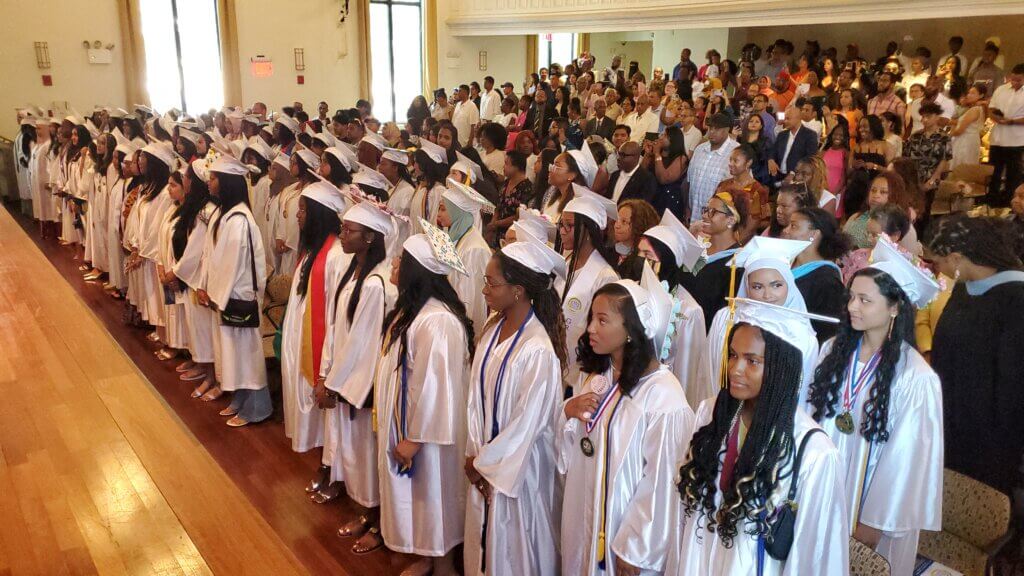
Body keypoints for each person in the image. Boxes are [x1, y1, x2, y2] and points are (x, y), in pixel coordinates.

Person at [668, 298, 849, 575]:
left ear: (780, 370)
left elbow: (815, 556)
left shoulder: (813, 452)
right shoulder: (711, 415)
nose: (736, 369)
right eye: (733, 355)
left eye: (752, 361)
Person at [808, 235, 943, 576]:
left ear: (895, 307)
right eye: (852, 296)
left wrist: (873, 523)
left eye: (865, 300)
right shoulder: (833, 352)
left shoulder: (916, 378)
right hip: (823, 489)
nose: (852, 306)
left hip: (872, 509)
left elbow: (909, 461)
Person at [560, 270, 695, 575]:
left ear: (632, 329)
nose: (591, 328)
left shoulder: (663, 397)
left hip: (625, 541)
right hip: (585, 523)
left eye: (602, 320)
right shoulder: (600, 377)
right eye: (591, 317)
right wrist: (568, 410)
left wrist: (636, 548)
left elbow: (662, 483)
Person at [465, 240, 567, 576]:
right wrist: (474, 454)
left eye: (492, 283)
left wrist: (485, 465)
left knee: (513, 554)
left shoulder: (537, 349)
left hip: (517, 475)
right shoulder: (492, 329)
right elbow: (474, 402)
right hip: (484, 466)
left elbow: (527, 425)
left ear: (519, 290)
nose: (484, 290)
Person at [929, 216, 1024, 500]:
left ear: (957, 259)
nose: (938, 269)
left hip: (988, 433)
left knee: (977, 501)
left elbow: (1012, 382)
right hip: (952, 413)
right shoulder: (964, 285)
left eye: (938, 262)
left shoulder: (1015, 300)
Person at [701, 237, 830, 411]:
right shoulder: (726, 319)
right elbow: (709, 370)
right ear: (747, 287)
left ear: (789, 285)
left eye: (776, 285)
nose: (768, 295)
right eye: (757, 287)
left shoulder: (801, 334)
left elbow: (801, 392)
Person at [197, 155, 270, 427]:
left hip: (237, 296)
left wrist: (215, 294)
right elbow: (210, 255)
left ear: (226, 183)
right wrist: (205, 286)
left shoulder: (239, 219)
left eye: (214, 178)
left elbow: (231, 264)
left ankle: (256, 408)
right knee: (231, 354)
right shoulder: (222, 212)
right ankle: (239, 399)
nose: (209, 182)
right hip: (224, 295)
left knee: (246, 357)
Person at [637, 209, 709, 408]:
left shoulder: (688, 311)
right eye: (639, 253)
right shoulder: (634, 292)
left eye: (648, 255)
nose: (641, 261)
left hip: (663, 399)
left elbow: (687, 370)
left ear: (666, 260)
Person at [558, 185, 621, 392]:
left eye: (569, 226)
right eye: (561, 225)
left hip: (581, 374)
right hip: (554, 364)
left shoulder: (605, 277)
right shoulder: (564, 264)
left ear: (587, 230)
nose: (562, 232)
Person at [679, 191, 749, 330]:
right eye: (706, 210)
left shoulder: (738, 263)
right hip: (679, 324)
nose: (705, 215)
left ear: (731, 220)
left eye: (713, 212)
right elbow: (679, 280)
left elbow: (725, 312)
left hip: (704, 333)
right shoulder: (698, 246)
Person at [786, 207, 852, 343]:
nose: (786, 231)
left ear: (814, 234)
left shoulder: (828, 281)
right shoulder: (784, 265)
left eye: (794, 226)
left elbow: (827, 333)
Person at [438, 179, 493, 338]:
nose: (438, 214)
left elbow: (469, 300)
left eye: (443, 209)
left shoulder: (474, 249)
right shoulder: (458, 238)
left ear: (457, 212)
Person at [687, 113, 739, 223]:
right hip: (694, 217)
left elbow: (741, 188)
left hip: (719, 221)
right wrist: (687, 209)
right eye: (710, 128)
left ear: (726, 130)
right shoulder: (700, 149)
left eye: (717, 129)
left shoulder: (736, 152)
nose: (712, 132)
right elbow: (689, 181)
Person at [985, 64, 1024, 207]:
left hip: (1017, 140)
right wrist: (995, 117)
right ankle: (992, 203)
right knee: (993, 172)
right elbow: (991, 109)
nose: (1014, 83)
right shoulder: (1001, 89)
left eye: (1018, 80)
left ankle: (1010, 204)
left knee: (1013, 175)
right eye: (1013, 79)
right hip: (998, 138)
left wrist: (1012, 121)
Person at [717, 144, 770, 243]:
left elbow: (750, 228)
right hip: (717, 238)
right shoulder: (723, 185)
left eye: (736, 161)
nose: (730, 164)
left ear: (748, 163)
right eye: (730, 160)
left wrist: (731, 245)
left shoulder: (757, 190)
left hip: (739, 243)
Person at [768, 107, 818, 186]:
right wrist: (770, 160)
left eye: (788, 119)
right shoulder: (782, 134)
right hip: (777, 175)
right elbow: (773, 150)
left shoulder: (810, 135)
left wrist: (794, 173)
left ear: (798, 118)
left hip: (797, 178)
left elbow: (810, 157)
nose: (785, 121)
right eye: (785, 118)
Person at [410, 139, 449, 236]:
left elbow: (436, 224)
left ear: (426, 165)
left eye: (416, 162)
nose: (414, 166)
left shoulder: (438, 191)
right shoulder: (420, 187)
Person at [612, 199, 659, 279]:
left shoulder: (641, 264)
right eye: (617, 219)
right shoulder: (609, 252)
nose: (617, 225)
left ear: (639, 224)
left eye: (624, 222)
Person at [608, 141, 657, 206]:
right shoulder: (615, 175)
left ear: (636, 157)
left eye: (624, 155)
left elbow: (641, 207)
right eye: (619, 154)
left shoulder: (647, 179)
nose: (619, 158)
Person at [949, 84, 986, 169]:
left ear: (981, 95)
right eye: (969, 93)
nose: (969, 95)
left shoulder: (975, 109)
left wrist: (949, 136)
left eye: (973, 93)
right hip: (969, 140)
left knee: (961, 166)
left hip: (965, 141)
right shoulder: (978, 108)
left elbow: (960, 130)